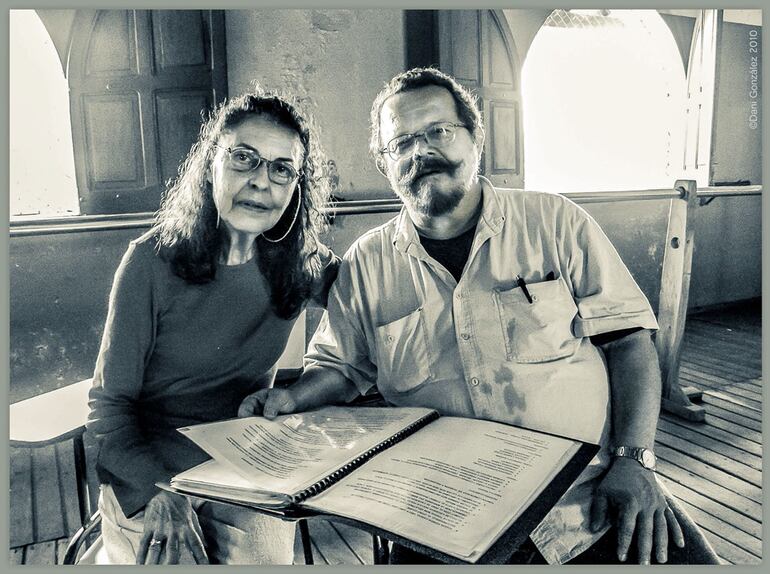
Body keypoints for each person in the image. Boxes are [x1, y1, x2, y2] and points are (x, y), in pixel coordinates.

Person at [240, 68, 721, 565]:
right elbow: (342, 368)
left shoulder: (555, 222)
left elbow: (629, 344)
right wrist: (292, 396)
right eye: (401, 142)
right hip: (440, 514)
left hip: (586, 500)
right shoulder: (367, 264)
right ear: (385, 163)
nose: (421, 151)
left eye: (438, 132)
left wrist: (634, 459)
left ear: (477, 138)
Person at [87, 88, 339, 564]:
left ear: (296, 188)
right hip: (151, 467)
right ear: (211, 166)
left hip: (245, 460)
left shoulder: (301, 261)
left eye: (282, 168)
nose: (262, 182)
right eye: (244, 158)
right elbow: (108, 409)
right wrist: (160, 489)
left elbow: (373, 308)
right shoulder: (149, 261)